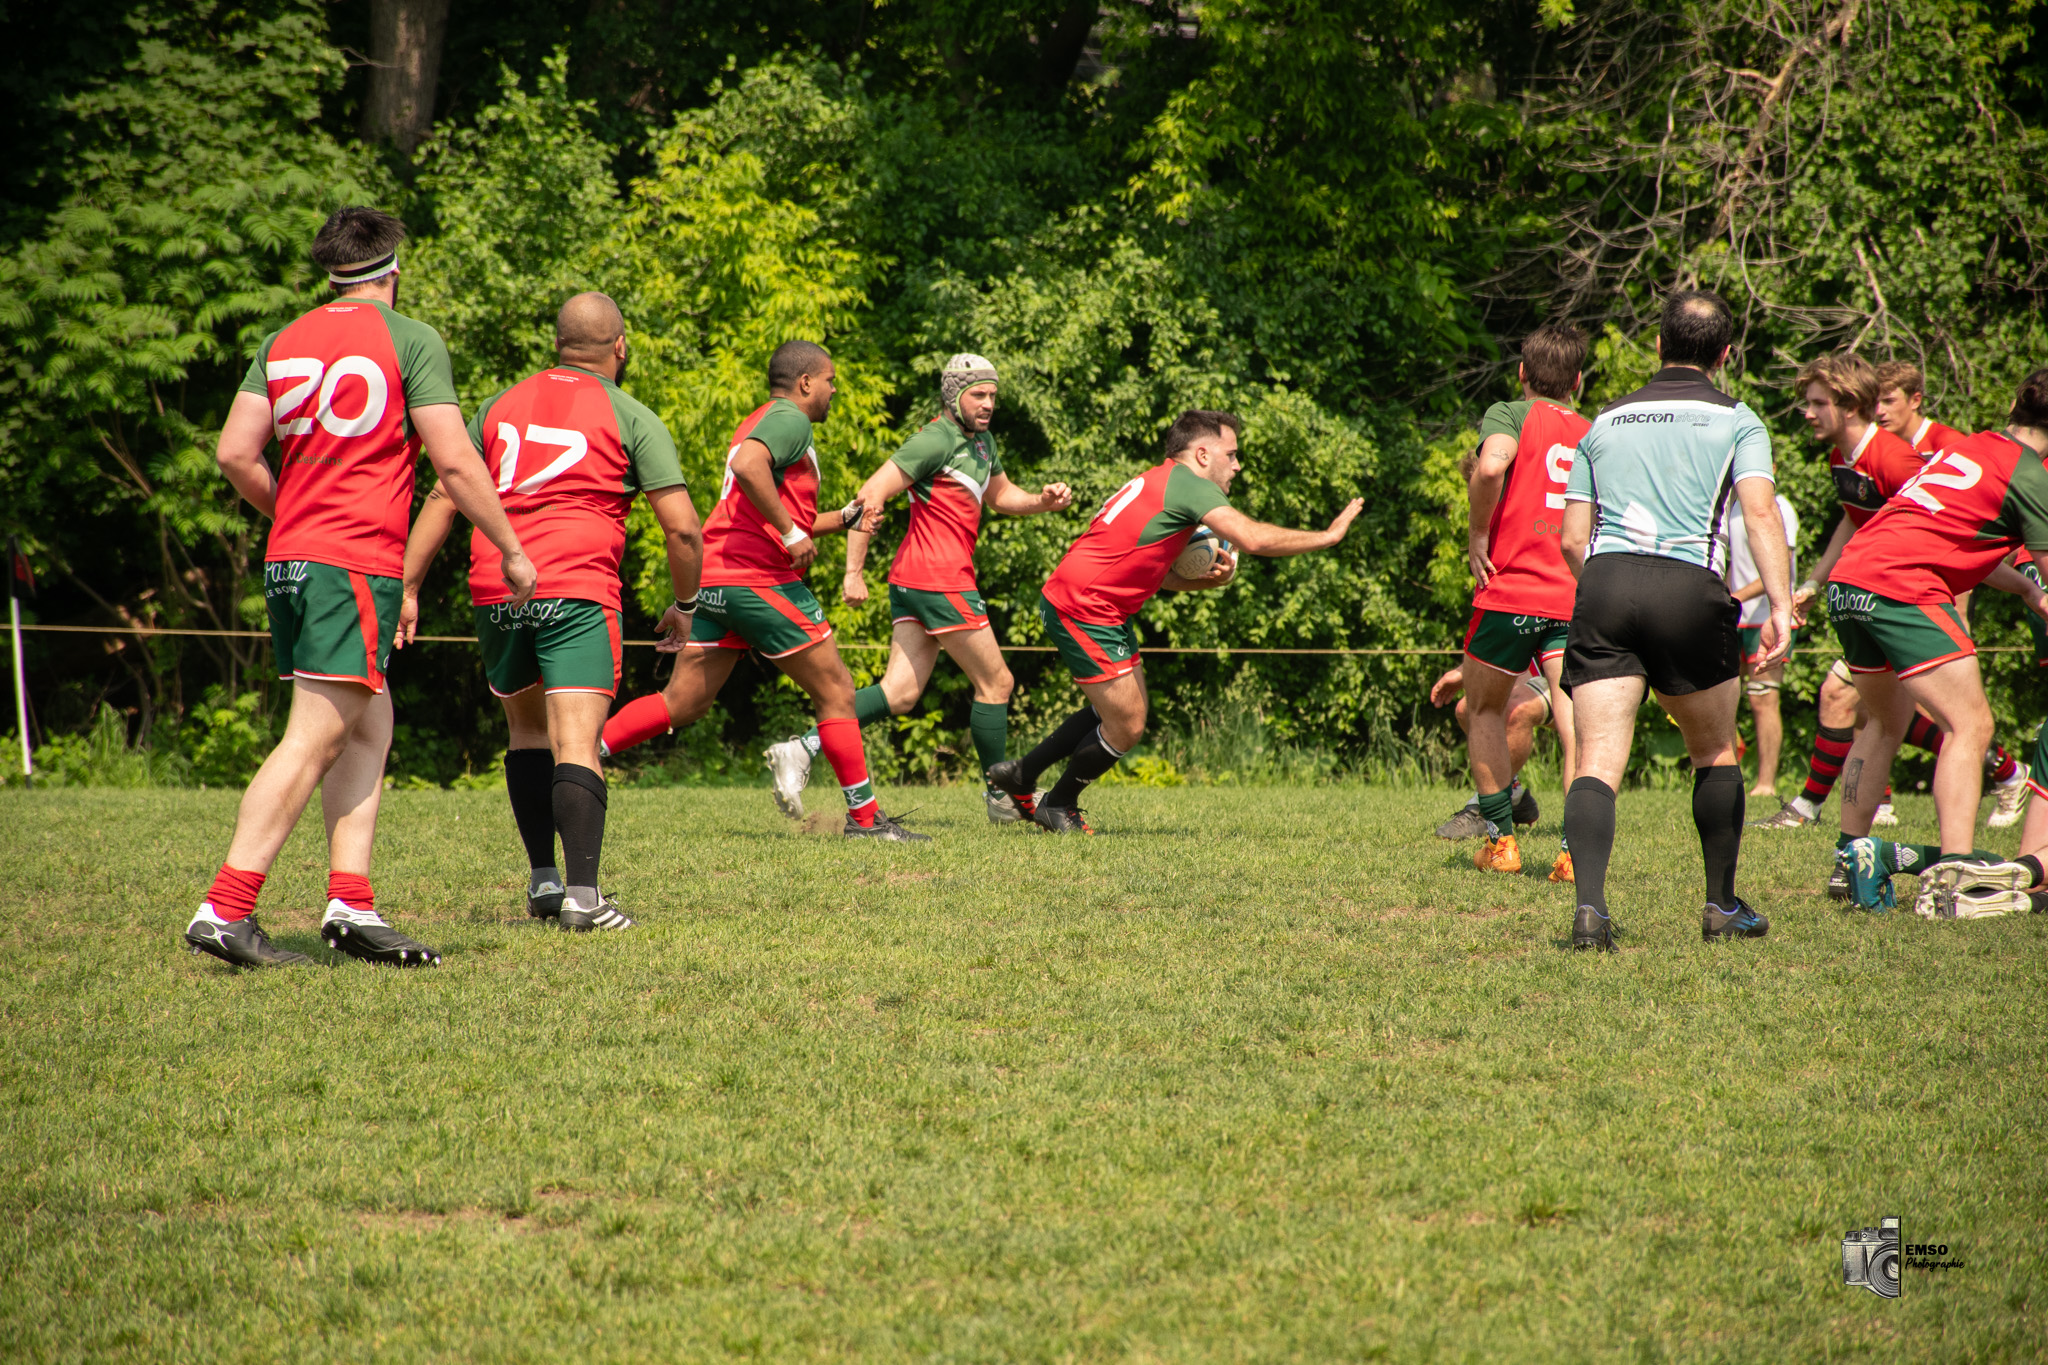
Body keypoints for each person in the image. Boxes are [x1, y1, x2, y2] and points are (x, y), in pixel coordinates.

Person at [184, 206, 536, 969]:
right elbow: (454, 461)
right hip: (351, 562)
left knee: (370, 721)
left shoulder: (282, 341)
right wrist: (511, 548)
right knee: (313, 735)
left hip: (292, 560)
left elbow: (236, 453)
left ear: (331, 272)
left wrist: (295, 514)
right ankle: (226, 907)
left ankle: (351, 904)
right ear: (394, 270)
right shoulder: (410, 339)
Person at [398, 293, 703, 932]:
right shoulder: (629, 414)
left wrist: (409, 587)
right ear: (620, 346)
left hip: (498, 585)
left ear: (557, 344)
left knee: (528, 734)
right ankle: (584, 900)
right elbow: (682, 530)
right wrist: (685, 605)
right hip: (576, 583)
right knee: (577, 741)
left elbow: (445, 496)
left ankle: (544, 881)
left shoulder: (499, 405)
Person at [596, 341, 927, 841]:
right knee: (837, 691)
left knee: (682, 703)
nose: (835, 390)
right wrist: (791, 535)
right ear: (805, 383)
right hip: (756, 580)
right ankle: (865, 822)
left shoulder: (760, 419)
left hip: (714, 579)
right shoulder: (791, 419)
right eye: (830, 381)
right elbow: (751, 468)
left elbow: (767, 512)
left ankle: (581, 754)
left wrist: (844, 519)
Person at [986, 410, 1362, 833]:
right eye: (1231, 454)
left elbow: (1158, 575)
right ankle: (1058, 805)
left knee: (1120, 712)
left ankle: (1020, 774)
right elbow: (1252, 538)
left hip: (1100, 604)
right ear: (1202, 454)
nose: (1237, 465)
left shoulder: (1160, 481)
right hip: (1083, 604)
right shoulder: (1190, 486)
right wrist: (1328, 537)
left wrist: (1204, 582)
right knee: (1127, 725)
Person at [1557, 288, 1793, 951]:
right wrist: (1780, 606)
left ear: (1658, 344)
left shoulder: (1604, 421)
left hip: (1605, 582)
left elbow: (1572, 538)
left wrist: (1607, 591)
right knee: (1713, 750)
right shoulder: (1739, 420)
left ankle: (1590, 911)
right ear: (1726, 354)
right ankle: (1721, 906)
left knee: (1597, 759)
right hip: (1690, 588)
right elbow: (1759, 513)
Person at [762, 354, 1073, 821]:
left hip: (915, 581)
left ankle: (802, 748)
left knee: (900, 693)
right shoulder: (935, 439)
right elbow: (870, 493)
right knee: (997, 682)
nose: (988, 404)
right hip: (940, 579)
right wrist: (852, 572)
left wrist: (1041, 501)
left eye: (993, 395)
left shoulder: (983, 443)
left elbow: (1001, 496)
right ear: (953, 395)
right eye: (978, 394)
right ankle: (1001, 796)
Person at [1754, 353, 2031, 837]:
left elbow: (1946, 531)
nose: (1807, 413)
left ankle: (1815, 808)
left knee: (1848, 699)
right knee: (1878, 713)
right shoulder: (1843, 456)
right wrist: (1813, 584)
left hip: (1908, 599)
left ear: (1848, 405)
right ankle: (1999, 774)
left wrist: (1957, 606)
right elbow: (1854, 521)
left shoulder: (1895, 460)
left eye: (1818, 403)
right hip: (1876, 591)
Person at [1823, 369, 2048, 914]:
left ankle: (1849, 860)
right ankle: (1953, 874)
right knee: (1970, 726)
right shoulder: (2031, 475)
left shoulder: (1968, 448)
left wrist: (2025, 590)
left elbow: (1959, 539)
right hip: (1901, 585)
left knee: (1884, 723)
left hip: (1850, 578)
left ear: (2015, 406)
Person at [1461, 322, 1587, 882]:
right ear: (1577, 381)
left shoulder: (1510, 413)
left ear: (1521, 373)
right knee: (1576, 724)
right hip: (1573, 595)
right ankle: (1572, 852)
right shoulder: (1593, 430)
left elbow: (1491, 466)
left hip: (1510, 590)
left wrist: (1477, 533)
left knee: (1485, 710)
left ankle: (1501, 843)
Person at [1719, 492, 1799, 796]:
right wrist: (1721, 597)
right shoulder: (1733, 509)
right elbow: (1735, 566)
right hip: (1734, 617)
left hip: (1768, 615)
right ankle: (1725, 777)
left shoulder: (1780, 506)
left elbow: (1781, 566)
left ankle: (1766, 784)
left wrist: (1735, 597)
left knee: (1762, 699)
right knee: (1722, 697)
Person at [1428, 664, 1551, 840]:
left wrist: (1464, 672)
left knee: (1516, 710)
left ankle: (1485, 808)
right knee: (1468, 709)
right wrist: (1464, 670)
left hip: (1570, 669)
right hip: (1535, 664)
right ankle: (1511, 791)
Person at [1874, 360, 1967, 458]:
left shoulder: (1949, 443)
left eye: (1889, 401)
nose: (1879, 411)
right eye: (1873, 403)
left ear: (1915, 401)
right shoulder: (1877, 450)